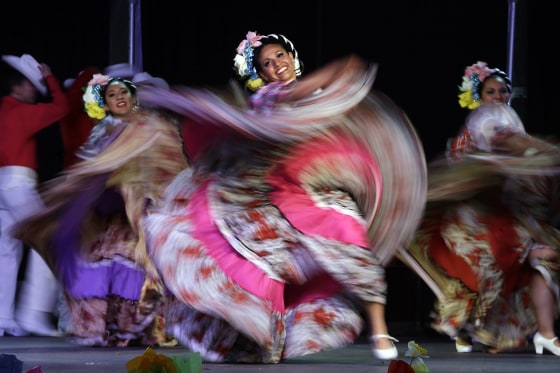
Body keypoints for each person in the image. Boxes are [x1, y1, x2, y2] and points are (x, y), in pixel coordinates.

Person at [137, 31, 427, 363]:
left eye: (280, 57)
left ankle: (379, 328)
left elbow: (349, 69)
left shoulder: (314, 96)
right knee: (269, 269)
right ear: (260, 75)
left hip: (314, 189)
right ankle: (269, 335)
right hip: (269, 197)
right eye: (267, 64)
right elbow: (327, 84)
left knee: (352, 238)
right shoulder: (271, 98)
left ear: (292, 56)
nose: (277, 66)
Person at [398, 61, 560, 355]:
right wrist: (543, 151)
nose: (498, 97)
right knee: (489, 270)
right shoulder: (485, 119)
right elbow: (504, 144)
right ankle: (474, 329)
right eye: (491, 91)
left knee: (528, 263)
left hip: (502, 210)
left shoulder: (503, 119)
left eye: (503, 92)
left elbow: (515, 155)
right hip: (477, 213)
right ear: (479, 96)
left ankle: (536, 332)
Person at [15, 74, 189, 346]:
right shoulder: (104, 133)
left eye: (124, 93)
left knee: (146, 264)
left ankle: (150, 328)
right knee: (109, 263)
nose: (119, 98)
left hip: (150, 212)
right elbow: (93, 170)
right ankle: (115, 330)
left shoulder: (155, 126)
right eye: (111, 95)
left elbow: (173, 164)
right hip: (114, 214)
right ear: (105, 104)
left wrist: (147, 189)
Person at [0, 54, 69, 337]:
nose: (35, 92)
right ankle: (32, 314)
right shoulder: (21, 112)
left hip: (2, 185)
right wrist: (51, 78)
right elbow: (62, 107)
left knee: (6, 252)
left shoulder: (3, 112)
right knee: (50, 242)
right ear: (18, 87)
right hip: (17, 184)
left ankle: (3, 318)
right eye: (32, 86)